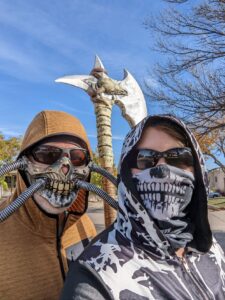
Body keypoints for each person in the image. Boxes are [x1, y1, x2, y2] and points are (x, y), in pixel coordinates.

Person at [61, 115, 225, 300]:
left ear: (197, 170)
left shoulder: (209, 247)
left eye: (179, 158)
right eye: (145, 159)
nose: (163, 170)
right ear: (126, 172)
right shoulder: (96, 276)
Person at [0, 110, 97, 300]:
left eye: (77, 157)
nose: (64, 168)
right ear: (23, 162)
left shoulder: (84, 224)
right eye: (48, 154)